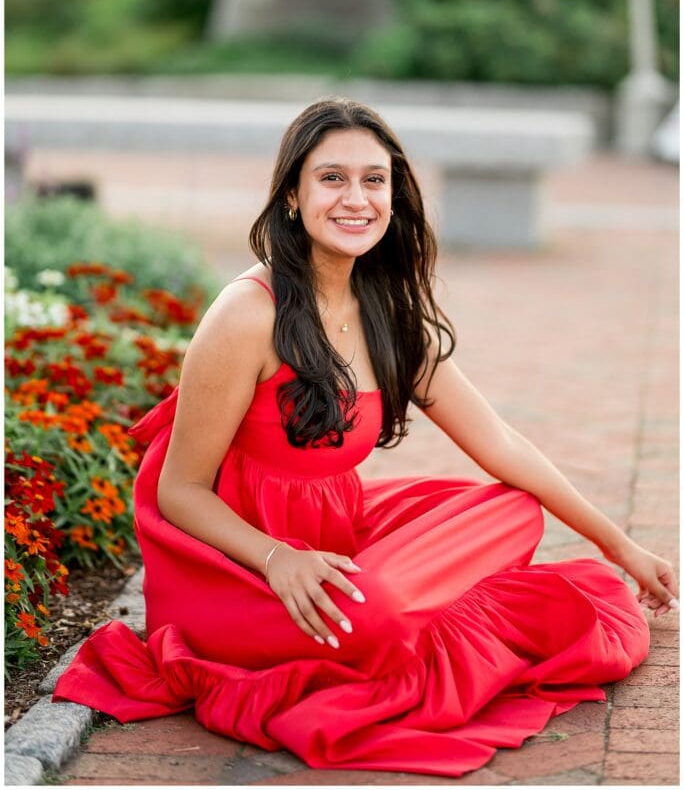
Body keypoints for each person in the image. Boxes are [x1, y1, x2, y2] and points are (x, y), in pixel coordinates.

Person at [54, 97, 678, 778]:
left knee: (513, 507)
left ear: (394, 195)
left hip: (337, 535)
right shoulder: (245, 316)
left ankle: (391, 605)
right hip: (240, 570)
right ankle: (386, 614)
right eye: (332, 178)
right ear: (292, 195)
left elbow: (501, 444)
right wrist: (277, 559)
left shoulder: (385, 311)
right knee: (377, 612)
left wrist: (618, 544)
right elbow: (178, 491)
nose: (356, 199)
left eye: (373, 180)